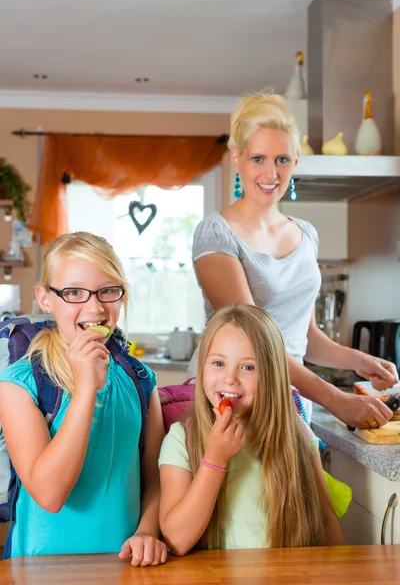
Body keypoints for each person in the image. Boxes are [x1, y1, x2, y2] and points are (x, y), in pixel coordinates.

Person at [190, 91, 398, 429]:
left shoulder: (306, 235)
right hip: (234, 403)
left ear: (296, 161)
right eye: (258, 158)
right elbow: (257, 341)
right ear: (236, 158)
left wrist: (361, 361)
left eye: (282, 159)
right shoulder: (216, 233)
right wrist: (336, 398)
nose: (271, 173)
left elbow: (306, 336)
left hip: (291, 400)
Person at [0, 232, 167, 565]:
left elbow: (156, 479)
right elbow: (49, 495)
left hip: (126, 565)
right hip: (40, 568)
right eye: (74, 292)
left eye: (107, 291)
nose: (95, 307)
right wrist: (85, 389)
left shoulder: (142, 379)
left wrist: (148, 530)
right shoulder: (18, 383)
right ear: (45, 299)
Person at [159, 305, 343, 553]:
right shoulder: (181, 439)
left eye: (248, 367)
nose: (230, 378)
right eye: (218, 363)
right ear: (202, 367)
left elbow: (326, 520)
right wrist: (215, 460)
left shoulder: (297, 432)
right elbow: (176, 541)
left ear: (272, 374)